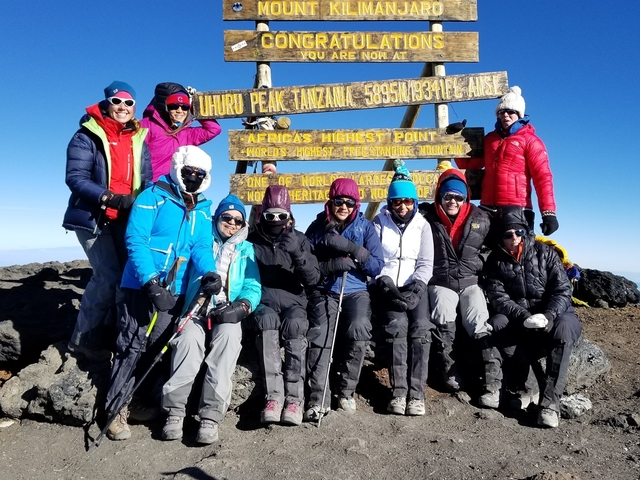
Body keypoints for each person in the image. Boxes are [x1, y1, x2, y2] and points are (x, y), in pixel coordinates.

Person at [105, 145, 222, 441]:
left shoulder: (202, 207)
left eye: (199, 174)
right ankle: (115, 410)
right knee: (131, 345)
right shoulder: (153, 197)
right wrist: (150, 283)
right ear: (177, 168)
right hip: (142, 287)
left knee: (159, 347)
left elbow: (200, 246)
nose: (193, 177)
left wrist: (210, 272)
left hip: (176, 290)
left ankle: (137, 401)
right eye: (188, 172)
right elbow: (136, 239)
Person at [161, 194, 261, 444]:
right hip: (196, 309)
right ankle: (174, 413)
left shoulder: (247, 249)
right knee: (187, 342)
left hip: (227, 310)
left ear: (243, 224)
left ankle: (211, 416)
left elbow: (252, 285)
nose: (232, 223)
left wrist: (242, 307)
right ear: (216, 218)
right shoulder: (200, 241)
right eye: (226, 217)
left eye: (238, 220)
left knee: (228, 340)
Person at [63, 81, 152, 362]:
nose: (123, 107)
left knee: (128, 276)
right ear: (106, 103)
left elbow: (147, 180)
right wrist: (110, 198)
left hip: (126, 219)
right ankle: (81, 342)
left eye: (129, 102)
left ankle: (115, 333)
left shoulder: (138, 138)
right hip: (94, 217)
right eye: (117, 101)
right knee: (108, 275)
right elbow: (75, 178)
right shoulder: (87, 135)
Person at [483, 208, 582, 427]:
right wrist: (524, 316)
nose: (514, 238)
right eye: (507, 234)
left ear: (525, 231)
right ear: (501, 237)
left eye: (518, 232)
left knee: (565, 328)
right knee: (497, 322)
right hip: (521, 319)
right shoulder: (495, 261)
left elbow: (562, 290)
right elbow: (497, 297)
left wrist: (548, 314)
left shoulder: (545, 253)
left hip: (554, 315)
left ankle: (550, 404)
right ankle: (522, 388)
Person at [304, 178, 384, 421]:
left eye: (350, 203)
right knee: (320, 336)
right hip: (325, 290)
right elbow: (306, 265)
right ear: (331, 201)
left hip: (356, 289)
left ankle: (346, 391)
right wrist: (329, 265)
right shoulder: (317, 227)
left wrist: (354, 249)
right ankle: (319, 397)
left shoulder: (365, 227)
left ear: (356, 204)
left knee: (359, 329)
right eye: (340, 201)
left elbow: (376, 265)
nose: (344, 207)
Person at [419, 169, 500, 407]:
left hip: (470, 281)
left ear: (466, 198)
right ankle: (450, 373)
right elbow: (401, 215)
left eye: (458, 197)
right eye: (447, 196)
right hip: (441, 282)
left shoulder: (481, 218)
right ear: (439, 196)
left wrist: (479, 263)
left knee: (479, 322)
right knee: (443, 315)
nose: (452, 201)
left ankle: (493, 385)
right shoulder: (426, 216)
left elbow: (501, 244)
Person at [247, 185, 320, 426]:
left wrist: (298, 255)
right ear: (262, 215)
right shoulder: (252, 240)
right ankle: (274, 397)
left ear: (289, 216)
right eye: (270, 215)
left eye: (281, 215)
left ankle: (294, 399)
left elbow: (312, 278)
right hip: (264, 299)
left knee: (296, 325)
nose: (276, 220)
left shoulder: (299, 239)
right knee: (267, 322)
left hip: (294, 300)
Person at [371, 161, 434, 416]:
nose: (403, 206)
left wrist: (418, 287)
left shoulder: (423, 225)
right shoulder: (378, 223)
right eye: (397, 201)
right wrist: (383, 281)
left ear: (414, 202)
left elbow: (426, 261)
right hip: (388, 287)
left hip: (414, 286)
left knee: (421, 331)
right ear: (390, 202)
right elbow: (374, 258)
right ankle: (399, 392)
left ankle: (416, 394)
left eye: (408, 201)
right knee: (397, 329)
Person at [455, 86, 558, 237]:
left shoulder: (531, 141)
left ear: (519, 115)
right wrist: (456, 141)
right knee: (483, 255)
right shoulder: (490, 140)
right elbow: (470, 166)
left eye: (511, 112)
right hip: (488, 208)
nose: (506, 115)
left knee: (516, 256)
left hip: (518, 209)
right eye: (502, 112)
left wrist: (548, 212)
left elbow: (543, 177)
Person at [140, 82, 221, 181]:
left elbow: (214, 129)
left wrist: (195, 107)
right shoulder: (147, 125)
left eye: (185, 107)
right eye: (174, 106)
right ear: (165, 107)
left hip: (175, 188)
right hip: (150, 187)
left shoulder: (187, 134)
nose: (180, 110)